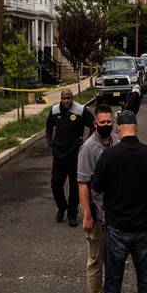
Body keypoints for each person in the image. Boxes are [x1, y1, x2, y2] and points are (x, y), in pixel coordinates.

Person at [92, 110, 147, 293]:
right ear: (137, 127)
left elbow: (95, 188)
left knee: (113, 281)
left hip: (116, 228)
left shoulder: (109, 156)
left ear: (118, 129)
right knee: (145, 279)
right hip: (142, 228)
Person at [77, 104, 120, 293]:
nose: (105, 125)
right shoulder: (88, 149)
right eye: (102, 122)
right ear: (95, 124)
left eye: (109, 122)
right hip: (97, 213)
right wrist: (87, 215)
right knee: (95, 261)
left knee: (114, 259)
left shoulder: (118, 142)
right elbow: (83, 184)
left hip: (116, 213)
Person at [46, 89, 94, 227]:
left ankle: (72, 213)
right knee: (56, 184)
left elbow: (92, 125)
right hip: (59, 155)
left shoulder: (80, 110)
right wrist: (49, 141)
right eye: (64, 98)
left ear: (72, 98)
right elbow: (49, 126)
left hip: (75, 155)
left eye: (68, 98)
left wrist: (86, 142)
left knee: (74, 186)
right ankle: (62, 207)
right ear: (61, 99)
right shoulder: (55, 110)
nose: (66, 101)